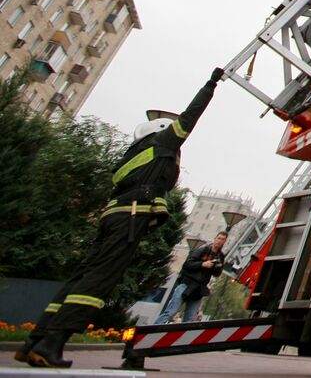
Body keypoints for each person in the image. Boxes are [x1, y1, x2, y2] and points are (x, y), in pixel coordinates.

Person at [19, 68, 226, 369]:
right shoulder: (161, 146)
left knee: (82, 276)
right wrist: (211, 85)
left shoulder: (130, 158)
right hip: (129, 221)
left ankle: (34, 342)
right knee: (97, 282)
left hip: (112, 218)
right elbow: (190, 116)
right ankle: (53, 343)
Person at [154, 231, 227, 324]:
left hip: (199, 289)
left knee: (189, 319)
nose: (219, 241)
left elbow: (217, 274)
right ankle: (151, 330)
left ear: (224, 242)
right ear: (215, 238)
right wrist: (202, 264)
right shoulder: (202, 250)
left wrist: (216, 267)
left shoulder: (220, 256)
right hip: (187, 284)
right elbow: (187, 264)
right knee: (171, 312)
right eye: (219, 238)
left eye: (222, 239)